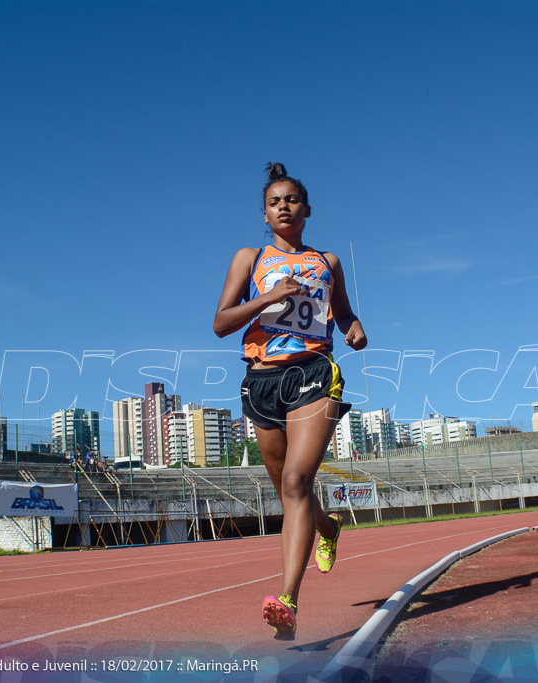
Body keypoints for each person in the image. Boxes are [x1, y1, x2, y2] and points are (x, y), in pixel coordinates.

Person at [213, 162, 368, 640]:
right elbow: (221, 322)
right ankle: (328, 526)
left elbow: (341, 312)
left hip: (314, 373)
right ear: (265, 213)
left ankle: (288, 600)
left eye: (292, 200)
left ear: (306, 210)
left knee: (299, 480)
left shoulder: (328, 262)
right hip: (261, 381)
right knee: (289, 491)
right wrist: (269, 297)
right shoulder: (249, 257)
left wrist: (353, 328)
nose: (284, 207)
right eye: (274, 201)